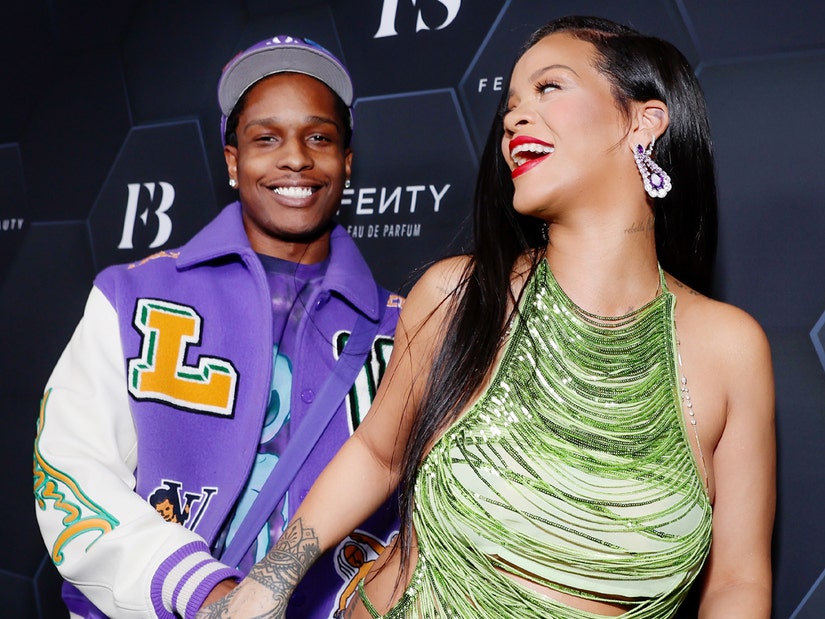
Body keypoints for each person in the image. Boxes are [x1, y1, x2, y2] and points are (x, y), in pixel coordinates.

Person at [197, 16, 775, 618]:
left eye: (549, 88)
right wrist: (268, 583)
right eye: (510, 103)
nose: (515, 117)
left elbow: (737, 581)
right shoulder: (457, 295)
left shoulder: (730, 349)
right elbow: (377, 454)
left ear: (643, 121)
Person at [33, 35, 401, 619]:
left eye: (319, 137)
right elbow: (70, 472)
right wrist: (205, 593)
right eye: (265, 138)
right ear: (232, 162)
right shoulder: (132, 294)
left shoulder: (404, 328)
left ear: (347, 162)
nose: (296, 158)